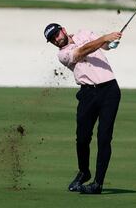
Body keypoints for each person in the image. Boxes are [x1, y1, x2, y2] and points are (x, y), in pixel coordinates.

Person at [44, 23, 123, 195]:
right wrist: (104, 38)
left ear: (63, 30)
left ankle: (98, 184)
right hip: (88, 94)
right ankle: (84, 172)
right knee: (82, 138)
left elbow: (104, 46)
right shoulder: (63, 55)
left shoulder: (85, 33)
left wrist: (110, 43)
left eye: (56, 34)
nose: (56, 40)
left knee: (104, 138)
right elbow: (82, 52)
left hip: (110, 90)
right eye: (52, 39)